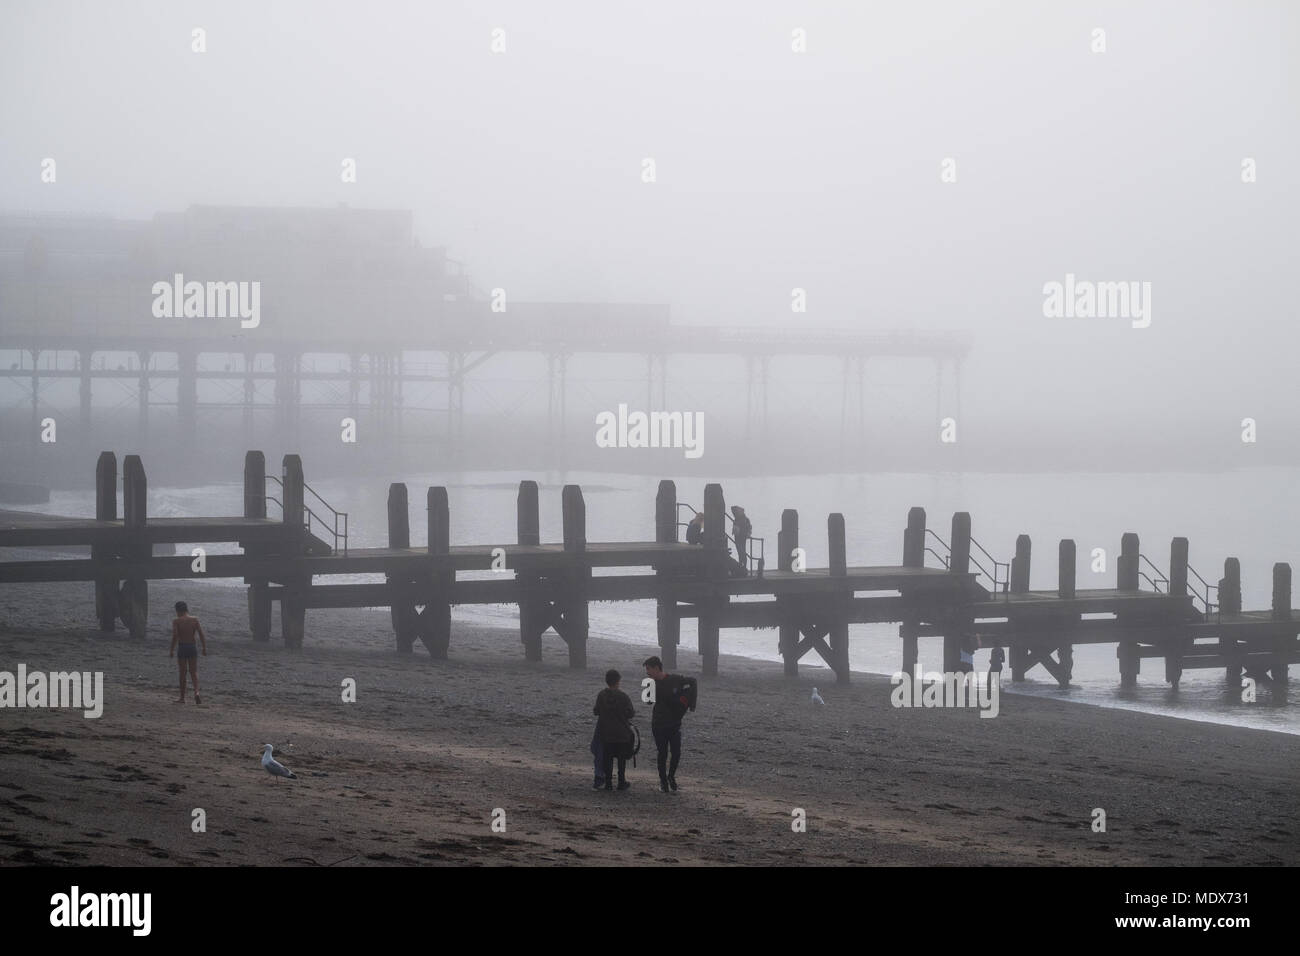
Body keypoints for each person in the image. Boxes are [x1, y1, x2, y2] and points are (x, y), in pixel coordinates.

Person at [643, 656, 693, 794]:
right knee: (662, 753)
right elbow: (647, 702)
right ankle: (663, 781)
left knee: (676, 753)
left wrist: (689, 703)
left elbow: (691, 683)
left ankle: (671, 776)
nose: (647, 672)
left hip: (674, 723)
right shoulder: (651, 682)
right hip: (658, 723)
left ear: (656, 668)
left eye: (648, 669)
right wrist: (648, 686)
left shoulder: (675, 679)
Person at [593, 669, 635, 791]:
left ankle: (608, 783)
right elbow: (631, 713)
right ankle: (621, 782)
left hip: (606, 734)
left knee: (608, 759)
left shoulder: (601, 695)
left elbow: (596, 711)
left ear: (607, 681)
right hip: (622, 734)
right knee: (621, 760)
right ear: (618, 681)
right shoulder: (623, 696)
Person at [170, 601, 207, 705]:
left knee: (183, 673)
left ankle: (182, 698)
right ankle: (196, 692)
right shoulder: (194, 620)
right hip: (192, 647)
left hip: (182, 647)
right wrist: (204, 648)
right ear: (186, 609)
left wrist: (172, 650)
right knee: (193, 672)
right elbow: (201, 634)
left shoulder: (176, 621)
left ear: (177, 610)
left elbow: (175, 636)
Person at [731, 505, 752, 570]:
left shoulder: (743, 519)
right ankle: (742, 565)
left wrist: (748, 533)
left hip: (741, 537)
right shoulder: (738, 518)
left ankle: (743, 565)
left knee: (742, 551)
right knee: (740, 551)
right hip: (738, 536)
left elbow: (749, 527)